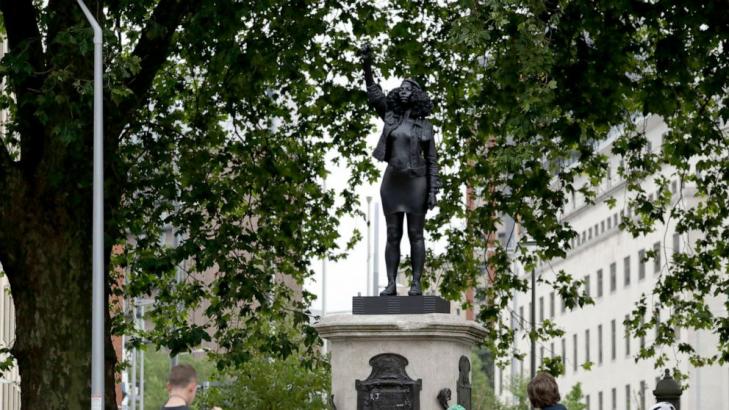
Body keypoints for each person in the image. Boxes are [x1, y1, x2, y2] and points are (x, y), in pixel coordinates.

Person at [359, 43, 440, 296]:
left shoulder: (425, 126)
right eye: (402, 88)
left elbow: (432, 161)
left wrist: (432, 191)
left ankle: (416, 283)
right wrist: (367, 64)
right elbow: (373, 93)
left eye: (409, 89)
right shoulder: (390, 117)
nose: (404, 92)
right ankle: (391, 283)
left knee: (416, 234)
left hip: (416, 182)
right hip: (392, 182)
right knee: (393, 234)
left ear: (416, 96)